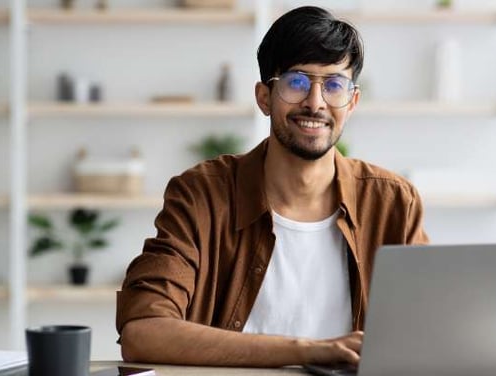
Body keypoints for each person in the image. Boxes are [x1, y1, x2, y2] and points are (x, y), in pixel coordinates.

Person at [116, 5, 428, 368]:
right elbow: (143, 333)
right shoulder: (201, 195)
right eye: (297, 82)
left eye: (333, 84)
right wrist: (307, 350)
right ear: (264, 97)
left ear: (352, 101)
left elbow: (427, 331)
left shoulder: (393, 202)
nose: (315, 102)